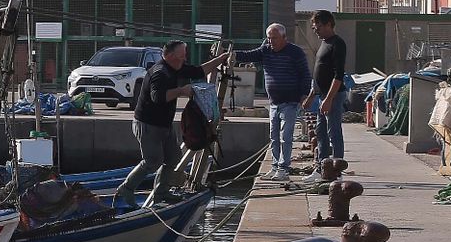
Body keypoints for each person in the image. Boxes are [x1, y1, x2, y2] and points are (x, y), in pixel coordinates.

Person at [115, 40, 230, 207]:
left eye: (185, 56)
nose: (184, 59)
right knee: (152, 161)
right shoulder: (160, 72)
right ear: (169, 56)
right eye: (181, 56)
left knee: (173, 157)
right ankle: (126, 189)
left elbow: (199, 71)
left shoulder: (176, 67)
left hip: (164, 125)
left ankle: (162, 193)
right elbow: (158, 97)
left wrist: (220, 59)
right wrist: (182, 91)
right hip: (147, 124)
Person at [234, 23, 313, 179]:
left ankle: (283, 169)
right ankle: (276, 166)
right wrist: (228, 54)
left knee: (286, 136)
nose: (271, 42)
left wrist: (304, 95)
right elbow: (248, 55)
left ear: (284, 37)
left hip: (290, 101)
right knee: (274, 136)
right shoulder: (265, 51)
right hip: (274, 102)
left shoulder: (295, 53)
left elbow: (305, 75)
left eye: (274, 38)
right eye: (269, 38)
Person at [304, 9, 348, 172]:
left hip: (333, 95)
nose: (316, 31)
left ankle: (336, 169)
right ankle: (322, 167)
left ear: (329, 24)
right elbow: (319, 73)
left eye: (318, 27)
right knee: (320, 131)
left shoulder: (337, 43)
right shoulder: (324, 43)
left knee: (333, 131)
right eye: (314, 28)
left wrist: (329, 99)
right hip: (321, 95)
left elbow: (338, 75)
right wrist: (311, 95)